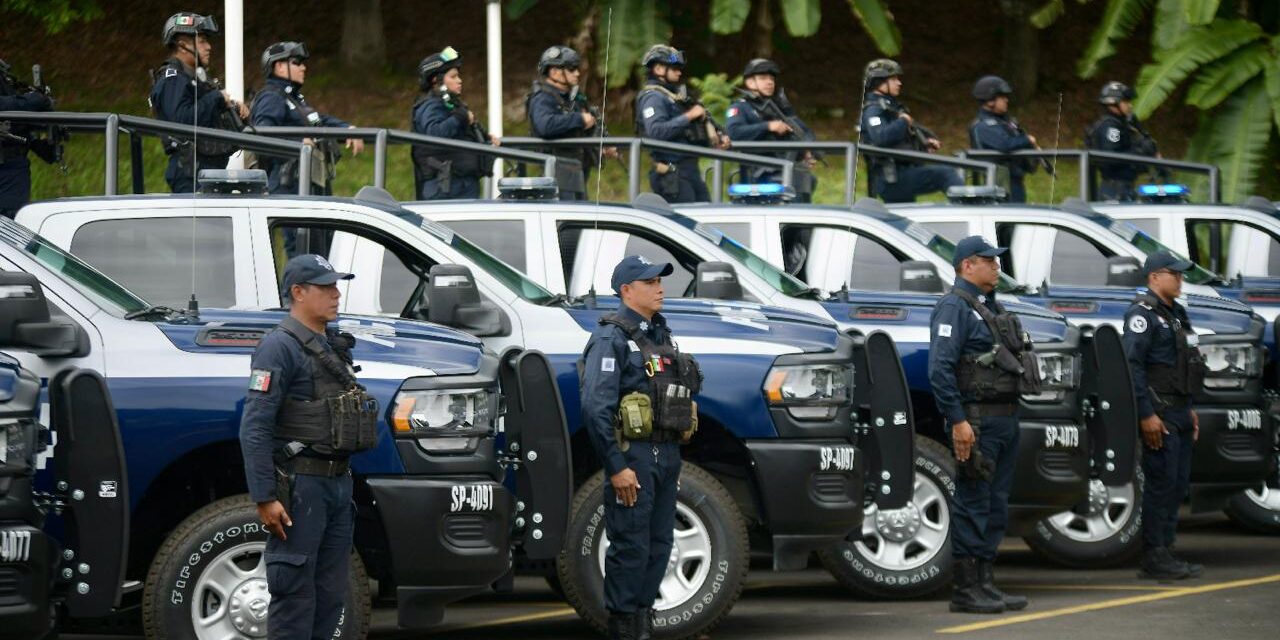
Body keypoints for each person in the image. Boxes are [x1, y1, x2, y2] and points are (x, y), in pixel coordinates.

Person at [240, 253, 379, 640]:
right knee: (294, 594)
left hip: (336, 485)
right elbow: (255, 425)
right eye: (326, 287)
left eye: (336, 286)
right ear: (298, 292)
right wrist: (265, 496)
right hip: (301, 486)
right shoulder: (278, 347)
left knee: (331, 596)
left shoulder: (330, 345)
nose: (336, 295)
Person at [579, 255, 702, 639]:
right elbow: (596, 408)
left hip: (665, 455)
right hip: (633, 456)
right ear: (627, 290)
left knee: (659, 545)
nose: (660, 287)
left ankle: (642, 623)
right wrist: (616, 466)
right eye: (649, 282)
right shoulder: (610, 337)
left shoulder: (660, 336)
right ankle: (624, 627)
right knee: (630, 545)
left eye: (660, 280)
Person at [928, 236, 1037, 614]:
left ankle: (986, 583)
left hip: (1005, 418)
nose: (996, 266)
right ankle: (966, 588)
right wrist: (958, 421)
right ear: (966, 265)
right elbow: (940, 369)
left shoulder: (990, 307)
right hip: (976, 421)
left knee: (996, 505)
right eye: (988, 261)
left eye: (996, 261)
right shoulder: (953, 308)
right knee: (974, 502)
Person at [1122, 251, 1206, 581]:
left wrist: (1191, 409)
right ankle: (1154, 554)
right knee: (1160, 484)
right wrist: (1146, 414)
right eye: (1175, 274)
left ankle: (1167, 549)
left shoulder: (1177, 314)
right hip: (1160, 414)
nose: (1180, 280)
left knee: (1177, 485)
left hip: (1181, 411)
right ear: (1155, 277)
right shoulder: (1141, 315)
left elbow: (1184, 365)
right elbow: (1133, 367)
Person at [149, 11, 248, 193]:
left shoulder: (195, 80)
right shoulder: (173, 79)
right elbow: (181, 122)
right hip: (191, 174)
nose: (209, 47)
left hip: (208, 172)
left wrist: (235, 111)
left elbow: (206, 118)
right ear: (182, 44)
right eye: (202, 41)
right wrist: (216, 98)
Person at [250, 41, 364, 195]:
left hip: (309, 183)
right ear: (279, 66)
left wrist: (347, 129)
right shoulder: (272, 97)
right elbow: (262, 136)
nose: (303, 68)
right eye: (297, 63)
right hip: (287, 188)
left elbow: (317, 122)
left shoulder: (294, 99)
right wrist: (298, 143)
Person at [635, 44, 729, 204]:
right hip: (672, 174)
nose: (679, 72)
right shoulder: (653, 97)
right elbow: (656, 132)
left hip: (689, 170)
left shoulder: (676, 98)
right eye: (674, 68)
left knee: (706, 218)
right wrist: (690, 115)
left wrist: (718, 138)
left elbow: (689, 134)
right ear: (658, 69)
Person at [860, 58, 962, 203]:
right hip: (891, 179)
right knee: (946, 174)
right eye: (894, 79)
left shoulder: (889, 107)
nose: (899, 83)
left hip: (899, 174)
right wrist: (903, 121)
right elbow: (881, 137)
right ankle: (969, 211)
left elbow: (899, 142)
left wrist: (923, 145)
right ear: (879, 82)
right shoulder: (873, 109)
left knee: (903, 222)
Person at [526, 45, 614, 201]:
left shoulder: (571, 98)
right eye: (572, 69)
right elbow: (545, 125)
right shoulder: (542, 98)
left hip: (576, 172)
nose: (577, 73)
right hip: (557, 175)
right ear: (554, 72)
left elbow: (583, 127)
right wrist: (579, 119)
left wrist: (601, 144)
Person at [412, 46, 500, 200]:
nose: (459, 81)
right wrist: (461, 117)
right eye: (453, 77)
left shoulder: (451, 105)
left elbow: (459, 134)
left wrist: (486, 137)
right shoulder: (430, 105)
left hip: (461, 184)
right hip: (445, 187)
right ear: (435, 80)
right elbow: (435, 134)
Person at [725, 58, 818, 202]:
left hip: (789, 170)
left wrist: (808, 151)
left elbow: (803, 131)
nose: (770, 82)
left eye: (771, 79)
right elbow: (734, 133)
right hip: (759, 174)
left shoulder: (779, 108)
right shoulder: (741, 107)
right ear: (750, 83)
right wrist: (768, 126)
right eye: (763, 78)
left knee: (807, 184)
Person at [967, 75, 1041, 204]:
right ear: (990, 101)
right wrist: (1028, 140)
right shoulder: (982, 126)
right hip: (999, 185)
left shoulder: (1005, 122)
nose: (1006, 100)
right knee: (1008, 221)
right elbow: (1004, 144)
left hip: (1014, 182)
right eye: (1002, 97)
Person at [1085, 81, 1160, 201]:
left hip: (1123, 188)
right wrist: (1140, 151)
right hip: (1115, 191)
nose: (1130, 106)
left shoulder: (1122, 124)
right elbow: (1112, 158)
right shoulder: (1111, 127)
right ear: (1112, 104)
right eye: (1125, 102)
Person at [0, 59, 52, 218]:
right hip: (7, 170)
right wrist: (32, 100)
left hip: (12, 164)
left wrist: (35, 140)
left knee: (13, 227)